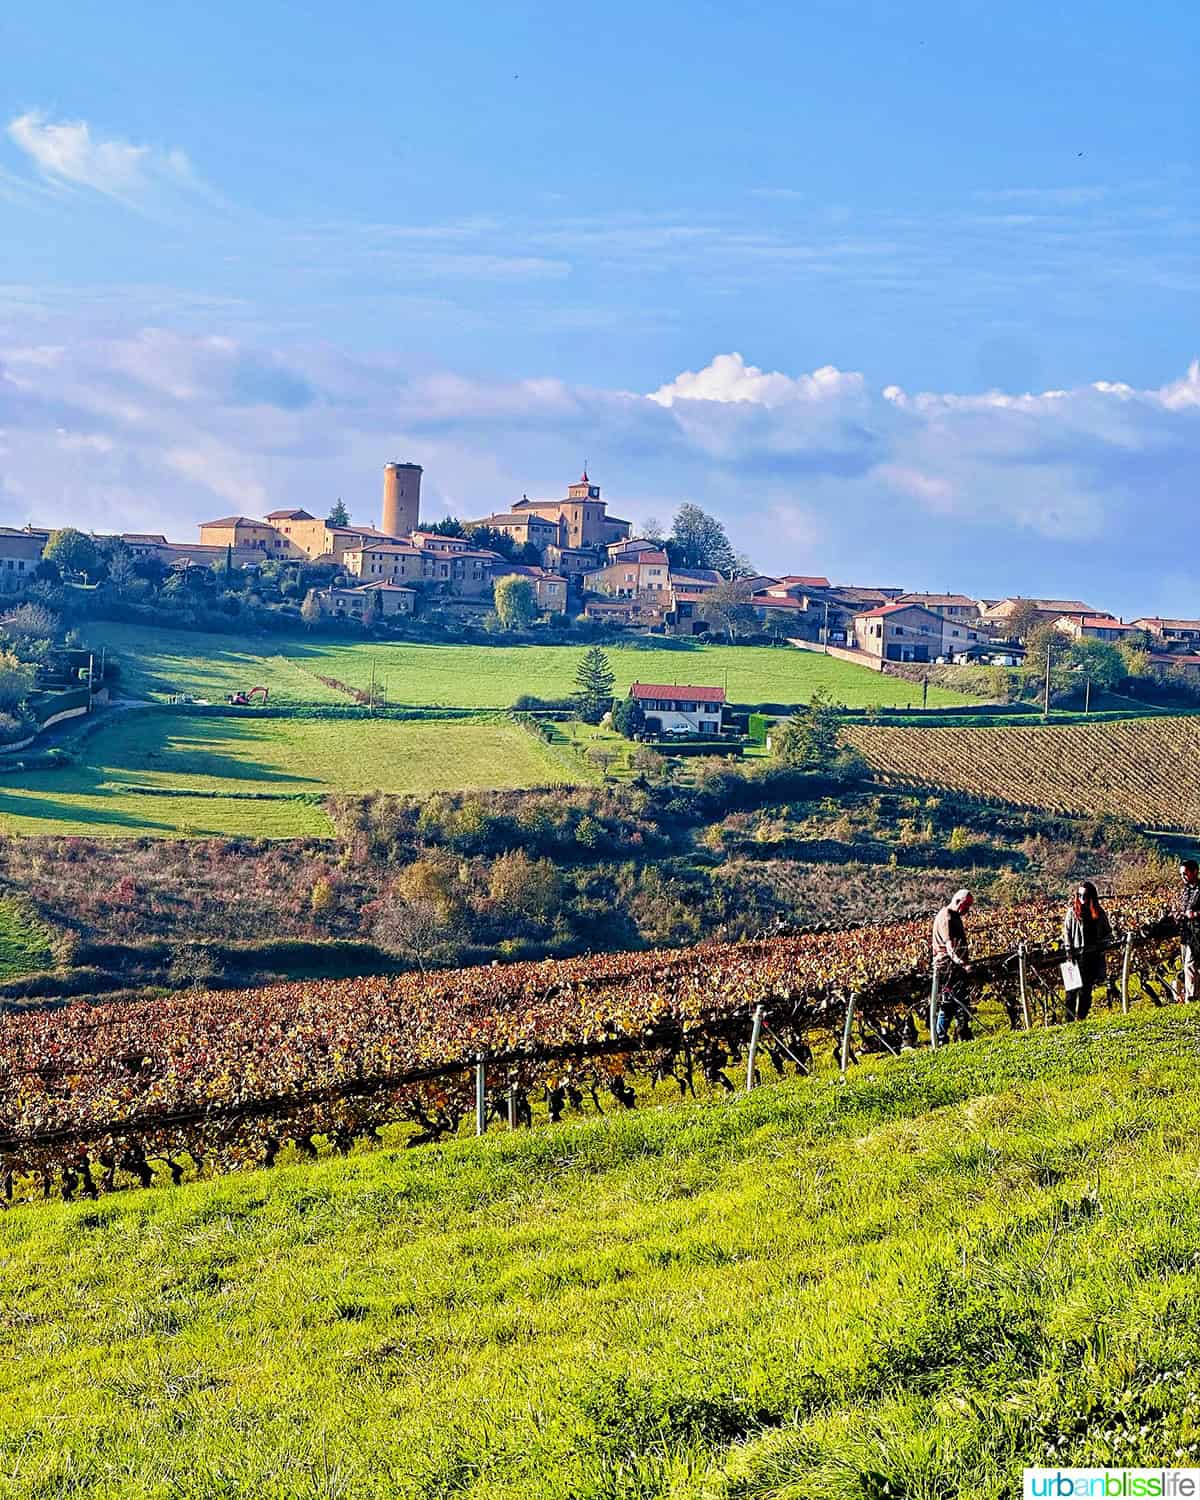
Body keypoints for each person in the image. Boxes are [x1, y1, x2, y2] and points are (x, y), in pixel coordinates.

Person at [1061, 880, 1113, 1021]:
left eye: (1085, 895)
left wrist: (1102, 945)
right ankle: (1069, 1021)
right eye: (1079, 895)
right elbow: (1066, 932)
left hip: (1092, 958)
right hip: (1075, 957)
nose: (1082, 898)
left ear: (1091, 896)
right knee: (1071, 993)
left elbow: (1108, 933)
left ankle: (1081, 1018)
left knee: (1086, 991)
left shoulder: (1099, 913)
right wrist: (1068, 950)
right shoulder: (1072, 913)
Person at [932, 889, 974, 1044]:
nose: (967, 910)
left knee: (959, 1001)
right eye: (966, 906)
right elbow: (949, 947)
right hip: (947, 967)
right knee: (949, 1003)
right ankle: (941, 1038)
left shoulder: (955, 915)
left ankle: (962, 1033)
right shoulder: (947, 917)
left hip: (954, 966)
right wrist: (962, 963)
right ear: (957, 902)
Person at [1178, 859, 1200, 1002]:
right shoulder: (1187, 890)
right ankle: (1193, 995)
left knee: (1190, 965)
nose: (1183, 877)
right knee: (1190, 965)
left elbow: (1192, 911)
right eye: (1181, 874)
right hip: (1188, 933)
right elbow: (1183, 908)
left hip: (1198, 932)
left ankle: (1191, 997)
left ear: (1195, 872)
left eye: (1185, 874)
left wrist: (1196, 914)